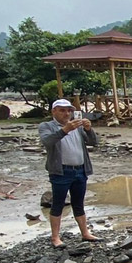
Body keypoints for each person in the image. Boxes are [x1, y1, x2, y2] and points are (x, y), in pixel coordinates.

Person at [38, 99, 100, 248]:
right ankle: (55, 237)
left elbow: (93, 142)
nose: (66, 114)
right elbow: (47, 141)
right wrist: (65, 130)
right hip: (61, 171)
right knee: (58, 203)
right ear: (54, 111)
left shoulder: (77, 126)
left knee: (79, 203)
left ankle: (85, 233)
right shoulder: (46, 126)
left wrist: (88, 129)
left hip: (80, 169)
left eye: (69, 111)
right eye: (62, 110)